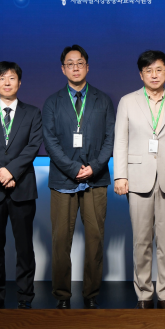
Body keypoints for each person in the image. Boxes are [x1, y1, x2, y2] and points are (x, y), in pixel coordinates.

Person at [113, 50, 165, 309]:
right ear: (141, 74)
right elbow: (121, 141)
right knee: (141, 241)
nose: (154, 75)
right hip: (137, 178)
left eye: (159, 70)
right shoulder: (127, 101)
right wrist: (120, 175)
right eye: (149, 70)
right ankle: (144, 295)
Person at [43, 45, 115, 309]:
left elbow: (110, 138)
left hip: (96, 180)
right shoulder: (52, 102)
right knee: (61, 240)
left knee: (95, 239)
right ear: (63, 69)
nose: (75, 67)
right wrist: (73, 168)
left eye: (80, 63)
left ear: (87, 67)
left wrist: (94, 167)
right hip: (63, 180)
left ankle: (91, 294)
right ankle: (62, 296)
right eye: (70, 63)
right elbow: (50, 141)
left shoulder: (102, 100)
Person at [0, 61, 42, 310]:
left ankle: (25, 297)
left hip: (22, 187)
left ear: (19, 82)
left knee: (25, 247)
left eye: (11, 78)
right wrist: (0, 173)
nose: (7, 82)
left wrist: (11, 171)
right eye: (1, 78)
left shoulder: (32, 113)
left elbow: (33, 146)